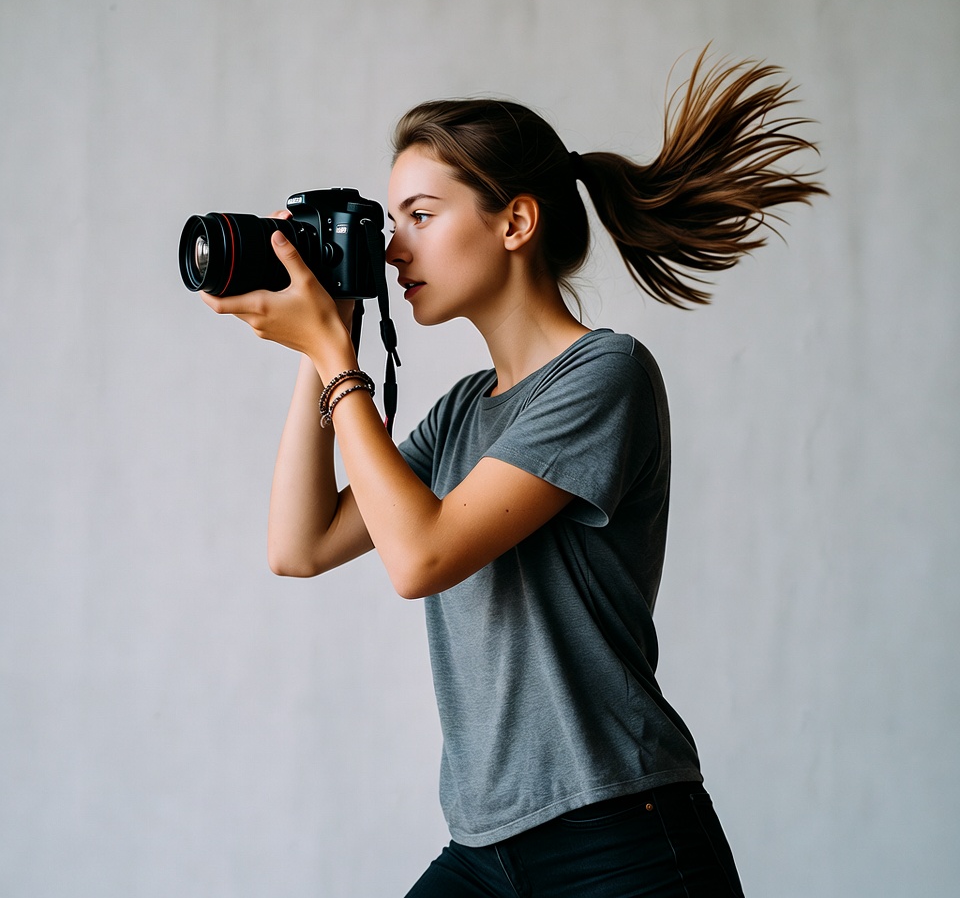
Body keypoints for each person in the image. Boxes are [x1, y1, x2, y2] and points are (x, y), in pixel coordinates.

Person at [201, 48, 826, 897]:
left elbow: (421, 558)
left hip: (620, 840)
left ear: (515, 223)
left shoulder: (605, 375)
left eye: (421, 215)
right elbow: (300, 544)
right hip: (486, 848)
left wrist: (335, 355)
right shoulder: (464, 410)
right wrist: (320, 346)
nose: (393, 249)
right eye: (389, 220)